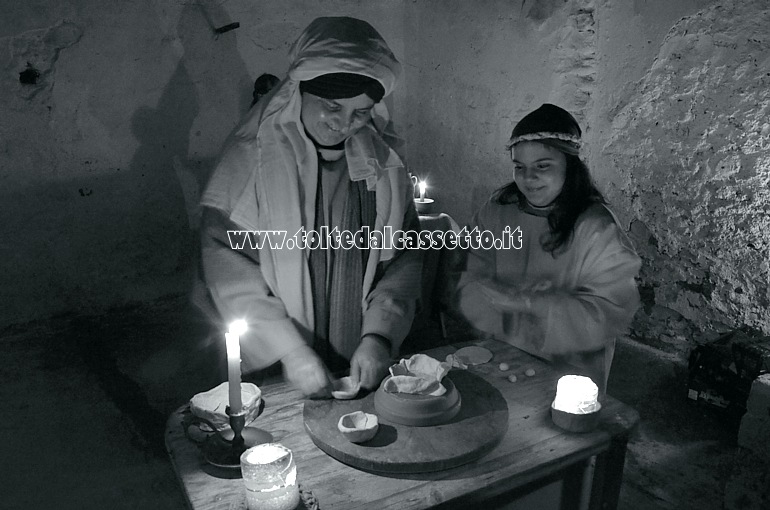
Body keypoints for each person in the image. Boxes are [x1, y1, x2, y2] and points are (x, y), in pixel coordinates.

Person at [198, 17, 421, 398]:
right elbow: (228, 268)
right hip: (282, 365)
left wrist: (379, 335)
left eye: (361, 112)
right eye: (331, 105)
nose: (343, 124)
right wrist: (290, 349)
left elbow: (403, 257)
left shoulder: (381, 168)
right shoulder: (251, 163)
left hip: (358, 353)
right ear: (299, 92)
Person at [453, 104, 641, 395]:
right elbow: (474, 271)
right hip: (506, 351)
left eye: (543, 166)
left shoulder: (595, 228)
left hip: (571, 370)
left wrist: (529, 303)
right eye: (519, 167)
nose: (528, 178)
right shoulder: (496, 212)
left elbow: (611, 308)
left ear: (569, 165)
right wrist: (482, 298)